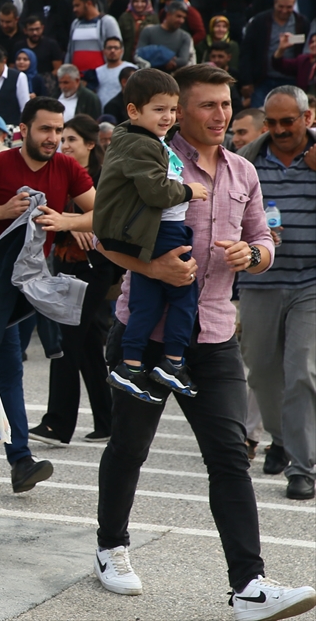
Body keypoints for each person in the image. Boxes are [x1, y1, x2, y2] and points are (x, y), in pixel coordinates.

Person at [91, 65, 316, 619]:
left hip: (213, 334)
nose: (222, 116)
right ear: (175, 110)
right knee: (129, 448)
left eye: (226, 105)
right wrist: (153, 266)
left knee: (229, 459)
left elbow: (264, 237)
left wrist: (253, 256)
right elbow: (102, 233)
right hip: (145, 336)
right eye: (207, 106)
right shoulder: (151, 158)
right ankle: (111, 546)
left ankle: (249, 585)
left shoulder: (243, 171)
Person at [0, 96, 95, 487]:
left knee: (8, 369)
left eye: (59, 131)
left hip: (26, 280)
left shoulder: (67, 167)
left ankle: (20, 460)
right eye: (46, 130)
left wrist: (66, 219)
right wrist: (2, 211)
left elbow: (103, 212)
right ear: (24, 131)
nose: (54, 139)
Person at [93, 70, 208, 402]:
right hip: (165, 231)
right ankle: (173, 362)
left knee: (147, 302)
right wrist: (190, 190)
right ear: (134, 111)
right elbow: (156, 191)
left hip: (151, 232)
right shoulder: (141, 144)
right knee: (185, 297)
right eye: (159, 109)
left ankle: (129, 366)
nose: (168, 117)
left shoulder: (147, 140)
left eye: (172, 110)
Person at [235, 85, 315, 501]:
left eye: (290, 121)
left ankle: (302, 468)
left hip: (310, 284)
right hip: (258, 281)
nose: (282, 130)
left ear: (308, 117)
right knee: (263, 372)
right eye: (274, 122)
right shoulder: (246, 161)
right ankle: (281, 438)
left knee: (302, 370)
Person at [241, 0, 307, 108]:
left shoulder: (301, 23)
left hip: (291, 80)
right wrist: (246, 81)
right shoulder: (259, 21)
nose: (284, 10)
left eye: (289, 7)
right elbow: (247, 51)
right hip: (262, 79)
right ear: (274, 4)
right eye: (281, 6)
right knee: (259, 116)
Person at [65, 0, 122, 73]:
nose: (74, 9)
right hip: (77, 77)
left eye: (77, 6)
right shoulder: (75, 23)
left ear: (88, 3)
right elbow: (69, 50)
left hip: (101, 76)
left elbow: (118, 48)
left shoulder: (107, 21)